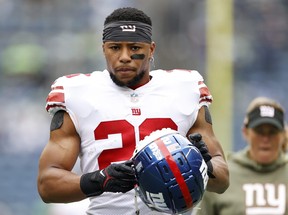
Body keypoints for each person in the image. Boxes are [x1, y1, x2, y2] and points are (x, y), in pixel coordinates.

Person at [37, 7, 229, 215]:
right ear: (103, 49)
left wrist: (205, 167)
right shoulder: (77, 93)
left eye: (134, 47)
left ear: (151, 49)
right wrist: (100, 180)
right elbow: (47, 185)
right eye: (115, 47)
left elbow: (223, 180)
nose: (125, 57)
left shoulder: (185, 88)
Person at [195, 96, 288, 215]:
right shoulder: (222, 174)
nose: (265, 139)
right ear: (245, 132)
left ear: (284, 134)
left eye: (272, 132)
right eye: (259, 131)